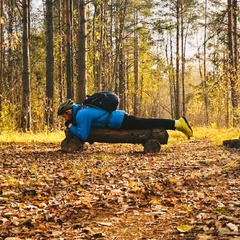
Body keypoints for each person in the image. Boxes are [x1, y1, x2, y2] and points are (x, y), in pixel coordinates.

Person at [57, 99, 193, 142]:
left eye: (65, 116)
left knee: (149, 123)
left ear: (68, 111)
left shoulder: (81, 115)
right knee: (147, 123)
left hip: (120, 121)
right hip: (119, 118)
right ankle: (176, 124)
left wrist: (70, 127)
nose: (66, 119)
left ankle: (178, 124)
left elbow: (83, 135)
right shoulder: (82, 110)